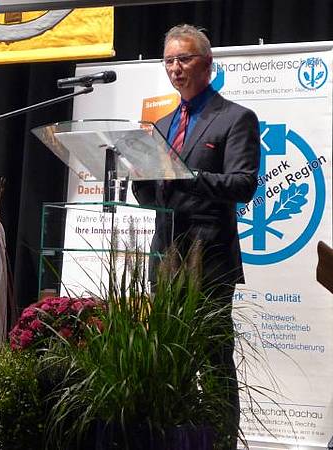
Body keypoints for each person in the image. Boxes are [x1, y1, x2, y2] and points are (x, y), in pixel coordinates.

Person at [132, 24, 260, 449]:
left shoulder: (235, 117)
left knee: (213, 360)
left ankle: (221, 443)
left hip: (209, 258)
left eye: (184, 59)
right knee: (171, 356)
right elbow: (154, 195)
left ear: (207, 64)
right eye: (169, 61)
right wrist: (137, 176)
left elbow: (243, 185)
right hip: (165, 255)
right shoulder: (162, 123)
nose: (175, 68)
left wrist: (192, 176)